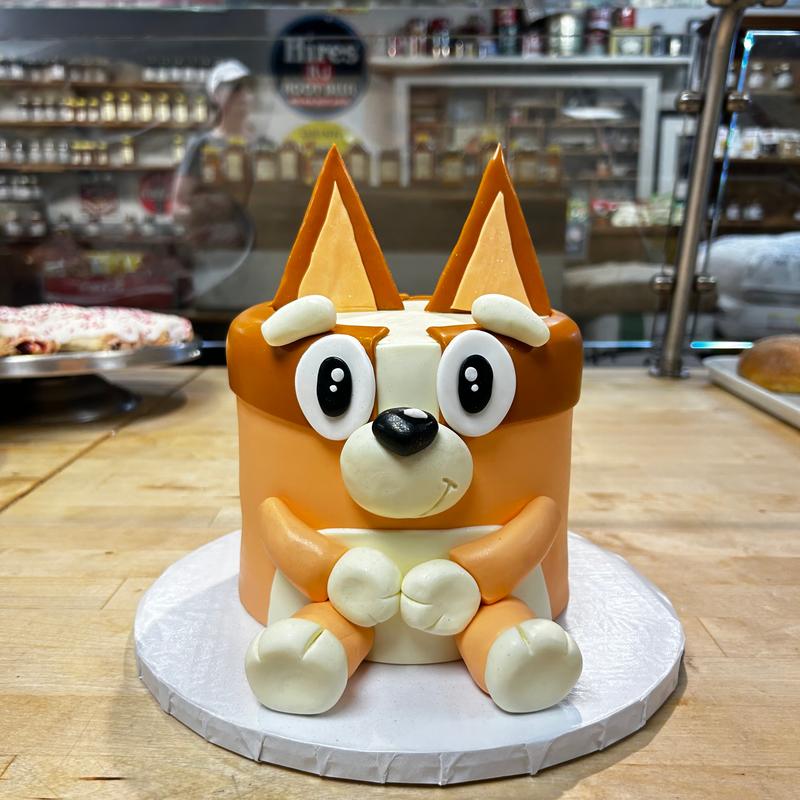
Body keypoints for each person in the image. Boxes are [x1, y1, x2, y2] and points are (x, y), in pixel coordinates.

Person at [171, 59, 256, 303]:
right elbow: (179, 205)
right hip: (215, 258)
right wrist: (205, 220)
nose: (243, 95)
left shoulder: (263, 146)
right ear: (217, 96)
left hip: (256, 254)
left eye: (246, 88)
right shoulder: (202, 146)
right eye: (235, 89)